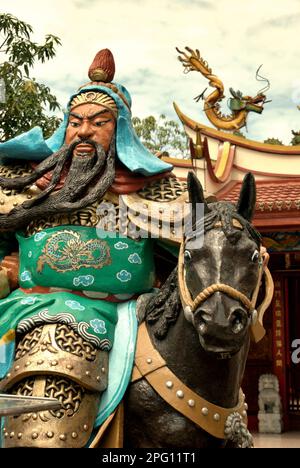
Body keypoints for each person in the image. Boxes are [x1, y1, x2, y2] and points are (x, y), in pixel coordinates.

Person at [0, 49, 188, 447]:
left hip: (132, 311)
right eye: (75, 122)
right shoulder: (26, 187)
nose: (83, 132)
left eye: (99, 122)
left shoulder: (150, 193)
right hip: (29, 304)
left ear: (120, 131)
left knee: (62, 339)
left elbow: (208, 242)